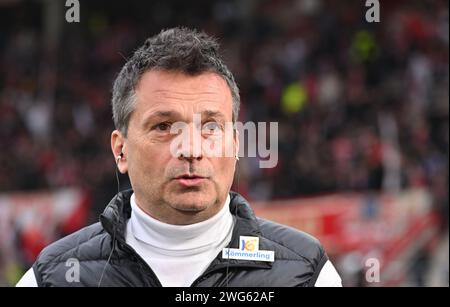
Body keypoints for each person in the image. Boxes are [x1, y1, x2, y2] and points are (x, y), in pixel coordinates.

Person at [16, 28, 341, 287]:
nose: (191, 149)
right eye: (164, 126)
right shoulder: (51, 278)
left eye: (211, 127)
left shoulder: (308, 274)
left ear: (236, 144)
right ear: (120, 150)